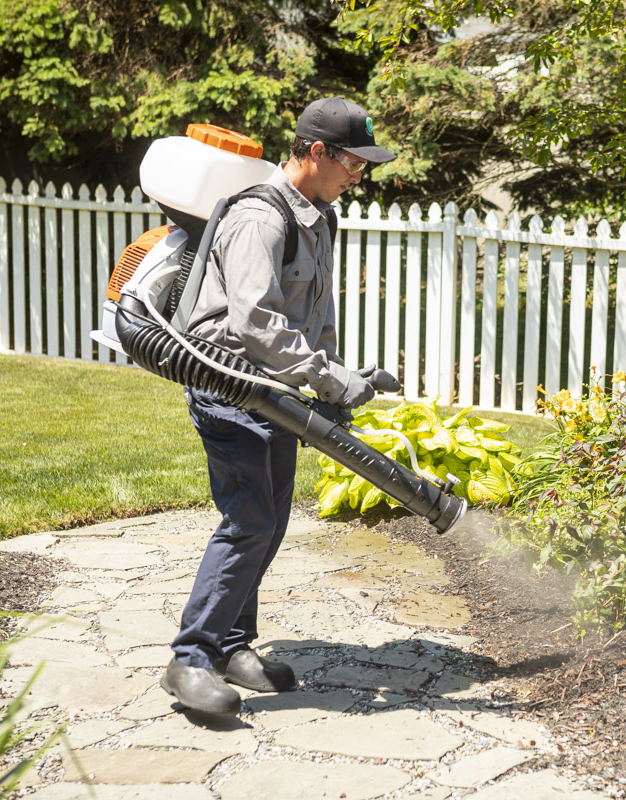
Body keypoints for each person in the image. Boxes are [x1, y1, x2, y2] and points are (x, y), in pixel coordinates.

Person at [161, 98, 398, 716]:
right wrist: (327, 379)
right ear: (315, 151)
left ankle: (234, 645)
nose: (359, 175)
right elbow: (258, 325)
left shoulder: (319, 217)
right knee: (249, 522)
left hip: (278, 393)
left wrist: (331, 381)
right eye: (354, 162)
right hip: (227, 384)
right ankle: (189, 658)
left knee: (273, 519)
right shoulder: (259, 220)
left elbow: (315, 317)